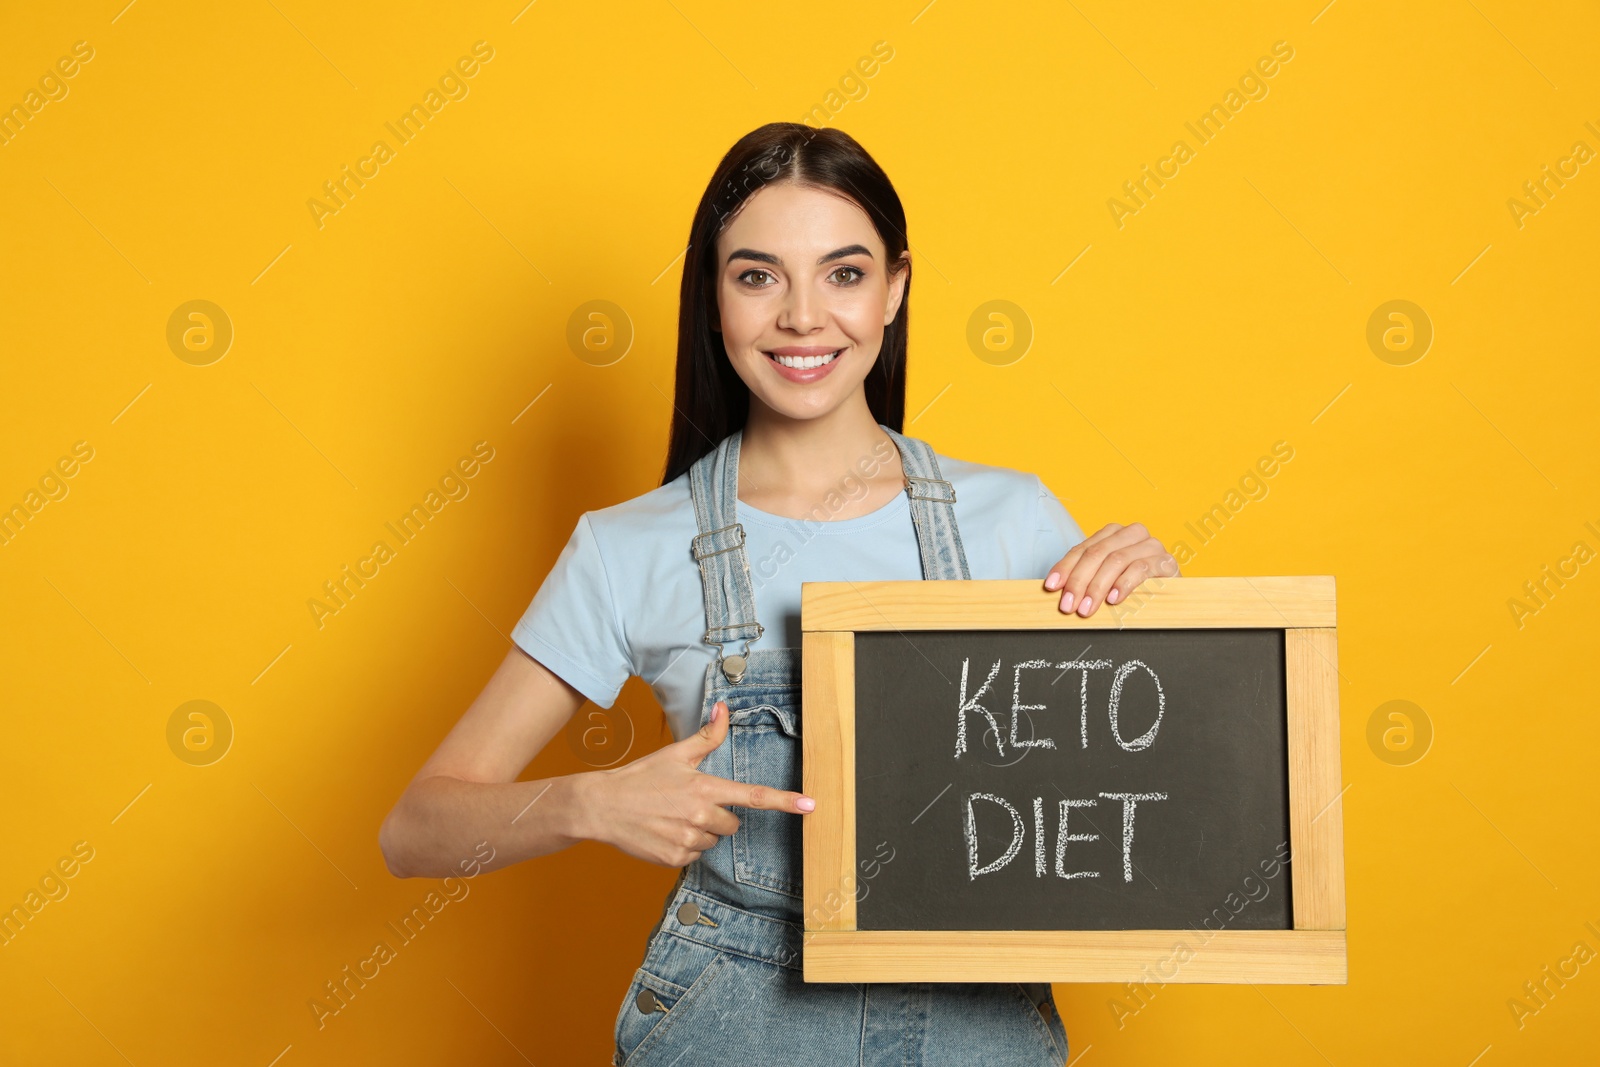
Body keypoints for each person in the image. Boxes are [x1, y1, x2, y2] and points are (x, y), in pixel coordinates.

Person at [379, 122, 1179, 1066]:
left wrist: (1160, 616)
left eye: (843, 274)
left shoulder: (1012, 518)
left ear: (896, 288)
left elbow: (1130, 808)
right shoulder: (626, 546)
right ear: (714, 298)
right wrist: (591, 803)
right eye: (758, 276)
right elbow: (415, 829)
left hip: (982, 1024)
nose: (804, 317)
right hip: (733, 1024)